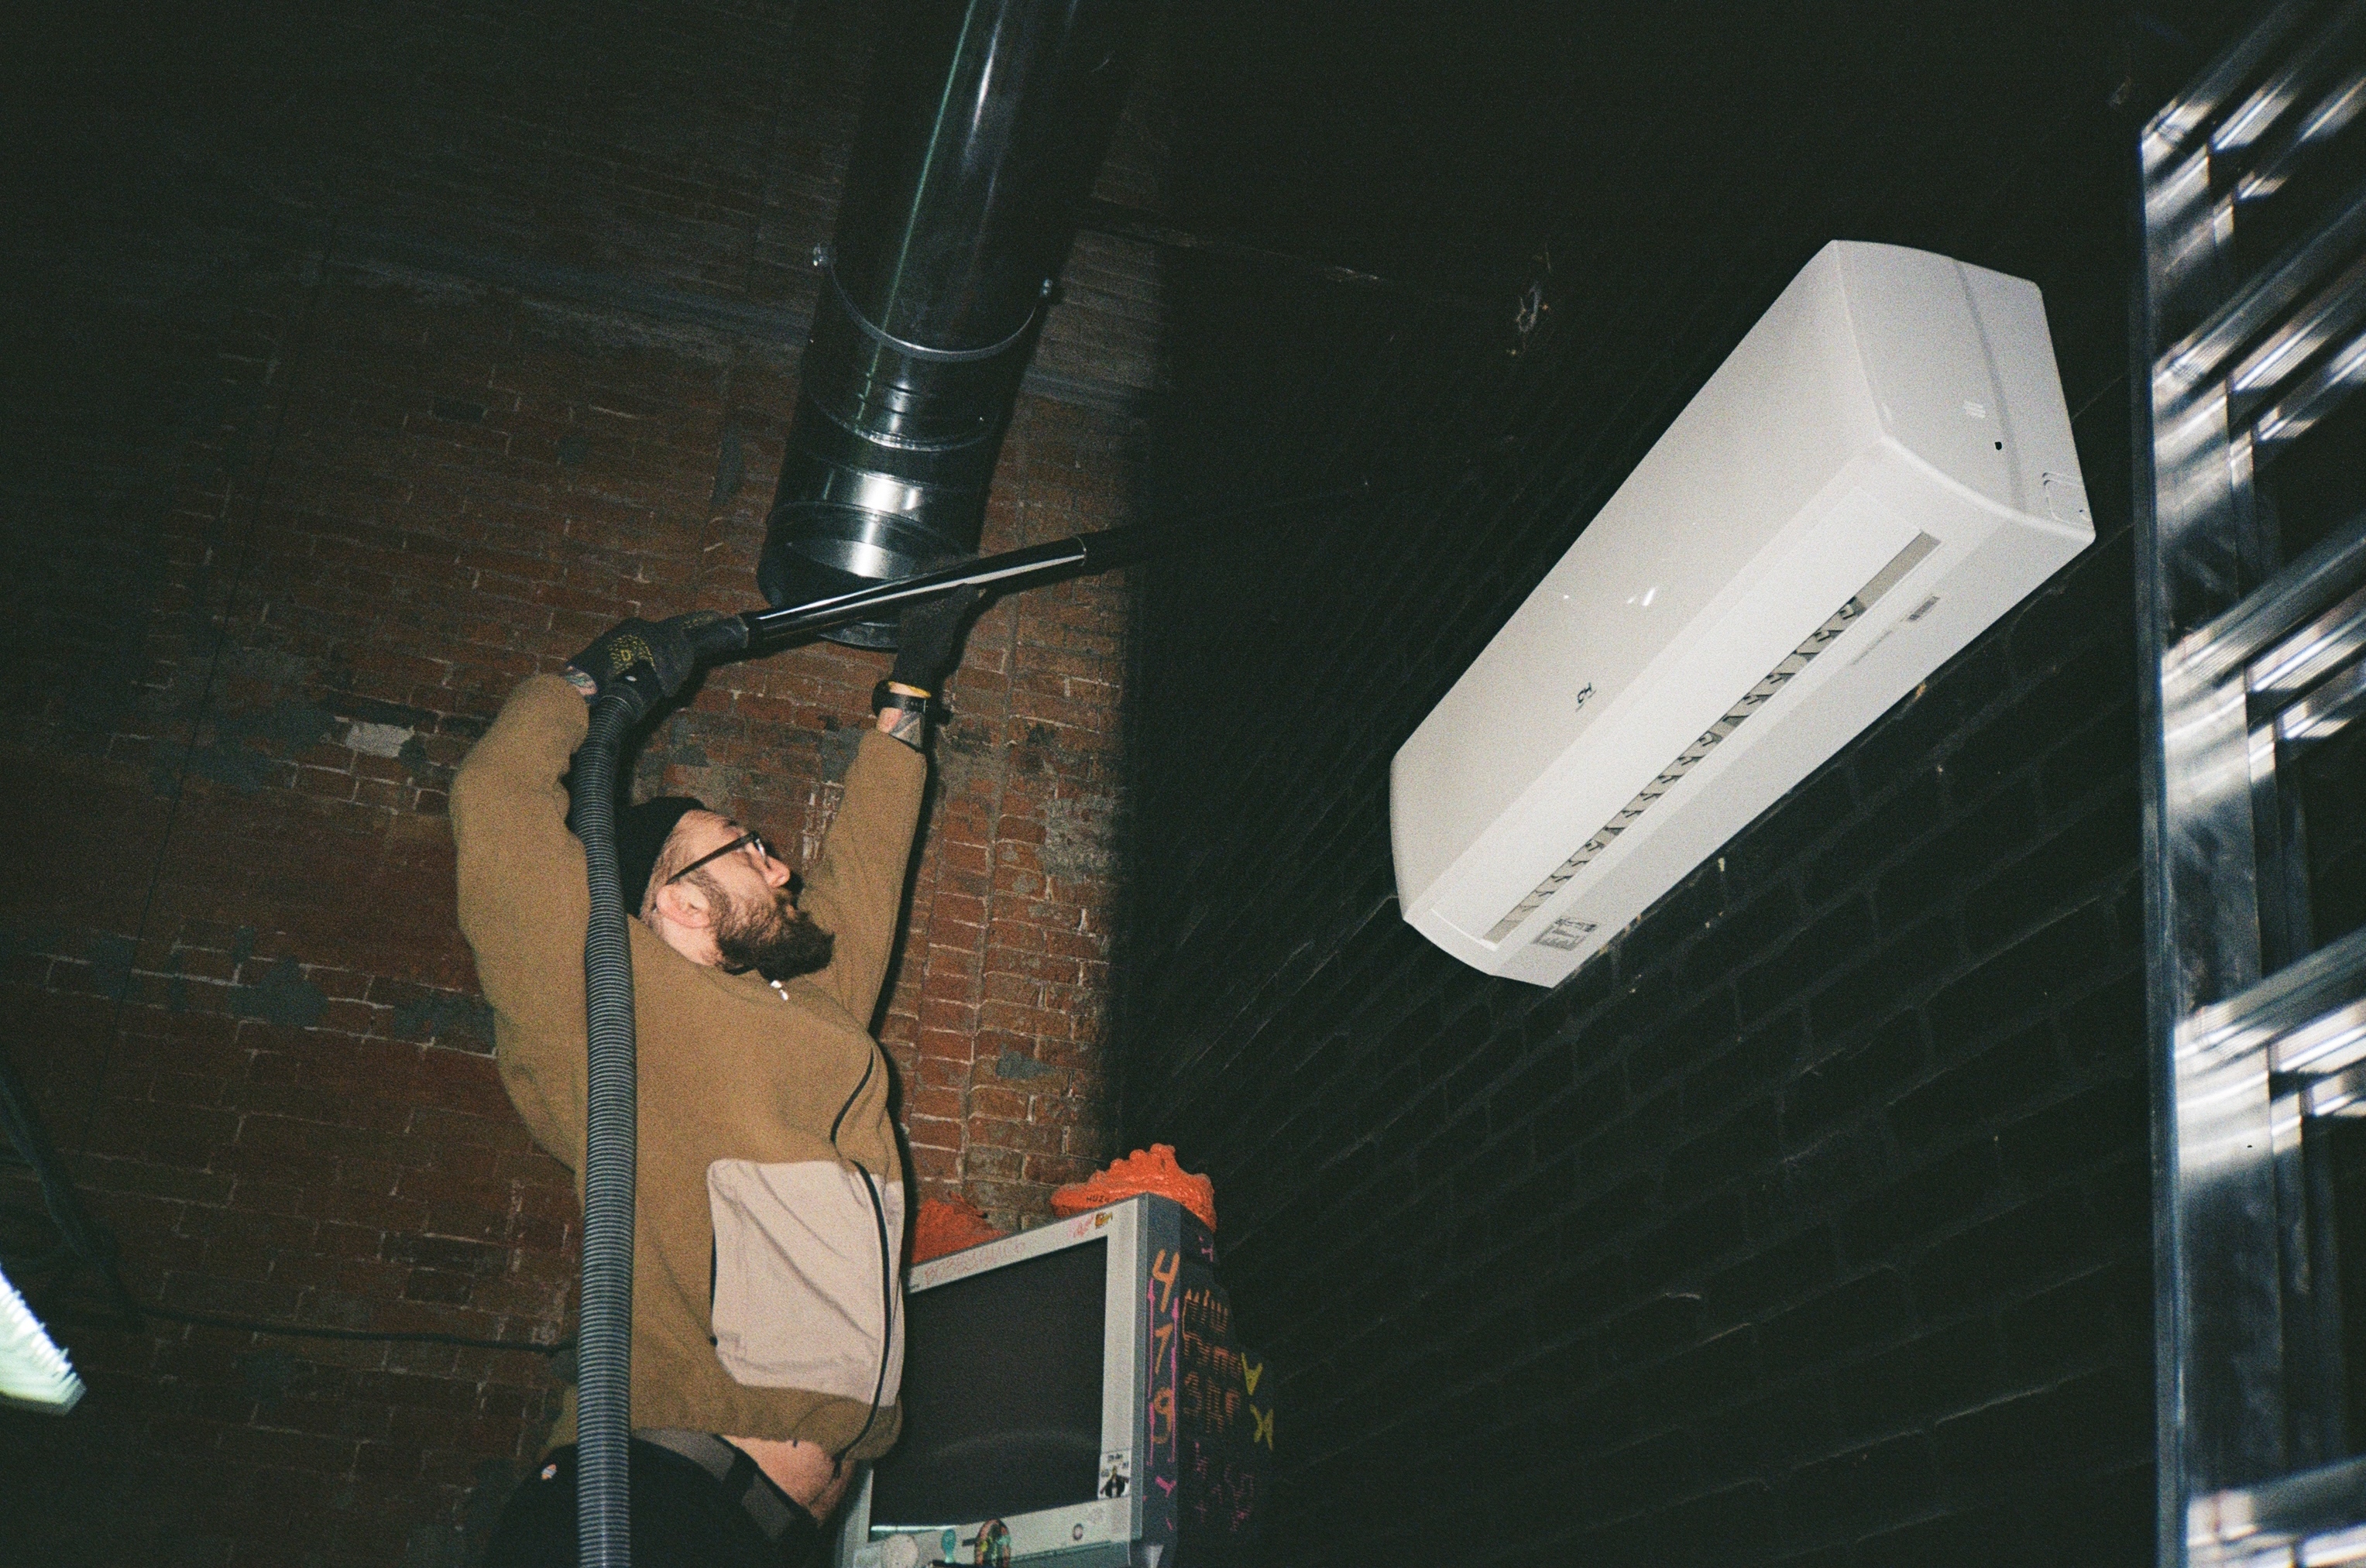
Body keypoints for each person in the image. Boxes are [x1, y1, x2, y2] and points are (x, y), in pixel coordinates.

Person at [455, 591, 978, 1566]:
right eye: (752, 847)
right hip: (650, 1506)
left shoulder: (799, 1016)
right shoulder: (608, 998)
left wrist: (910, 687)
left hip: (760, 1530)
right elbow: (494, 802)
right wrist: (589, 678)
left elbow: (862, 883)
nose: (782, 870)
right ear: (679, 899)